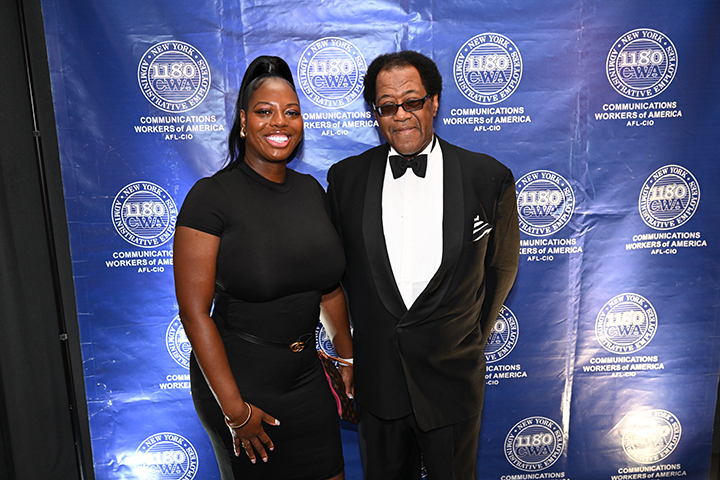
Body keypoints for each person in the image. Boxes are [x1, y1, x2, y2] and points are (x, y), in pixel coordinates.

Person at [326, 51, 520, 480]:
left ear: (433, 102)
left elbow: (500, 270)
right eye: (387, 106)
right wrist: (350, 353)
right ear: (375, 113)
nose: (401, 115)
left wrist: (463, 337)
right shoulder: (344, 179)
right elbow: (336, 276)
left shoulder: (487, 176)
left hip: (452, 381)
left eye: (412, 101)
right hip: (378, 384)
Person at [174, 55, 354, 480]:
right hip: (241, 385)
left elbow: (327, 286)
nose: (280, 123)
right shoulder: (211, 197)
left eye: (291, 112)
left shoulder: (311, 190)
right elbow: (194, 313)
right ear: (243, 120)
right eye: (264, 111)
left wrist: (347, 357)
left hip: (307, 377)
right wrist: (235, 411)